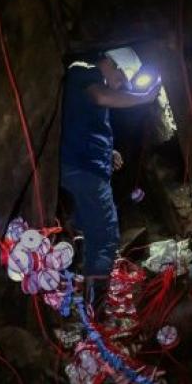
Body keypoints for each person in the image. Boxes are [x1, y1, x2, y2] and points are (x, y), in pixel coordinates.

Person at [60, 51, 160, 303]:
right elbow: (100, 96)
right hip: (84, 169)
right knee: (106, 236)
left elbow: (82, 123)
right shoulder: (84, 70)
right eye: (121, 78)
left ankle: (78, 293)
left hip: (82, 165)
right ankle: (97, 310)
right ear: (110, 63)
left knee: (86, 229)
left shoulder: (85, 81)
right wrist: (143, 97)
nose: (120, 85)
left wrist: (108, 152)